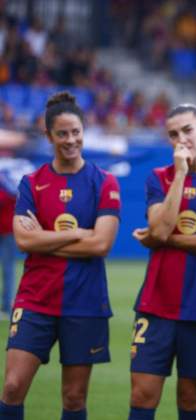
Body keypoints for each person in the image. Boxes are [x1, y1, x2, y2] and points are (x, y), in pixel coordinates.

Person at [0, 91, 121, 420]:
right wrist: (77, 232)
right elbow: (24, 241)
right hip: (35, 298)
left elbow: (101, 245)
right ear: (49, 135)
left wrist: (45, 238)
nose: (71, 140)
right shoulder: (32, 183)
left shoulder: (104, 182)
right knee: (11, 387)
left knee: (73, 397)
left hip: (84, 301)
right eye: (62, 133)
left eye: (76, 132)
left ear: (84, 130)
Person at [127, 104, 196, 420]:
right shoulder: (159, 177)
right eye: (173, 134)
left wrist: (162, 240)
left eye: (188, 130)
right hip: (156, 303)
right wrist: (180, 173)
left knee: (191, 398)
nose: (181, 139)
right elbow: (161, 227)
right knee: (142, 394)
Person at [0, 171, 16, 319]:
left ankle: (6, 306)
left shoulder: (8, 181)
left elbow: (9, 198)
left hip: (7, 231)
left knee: (8, 270)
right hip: (6, 230)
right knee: (8, 270)